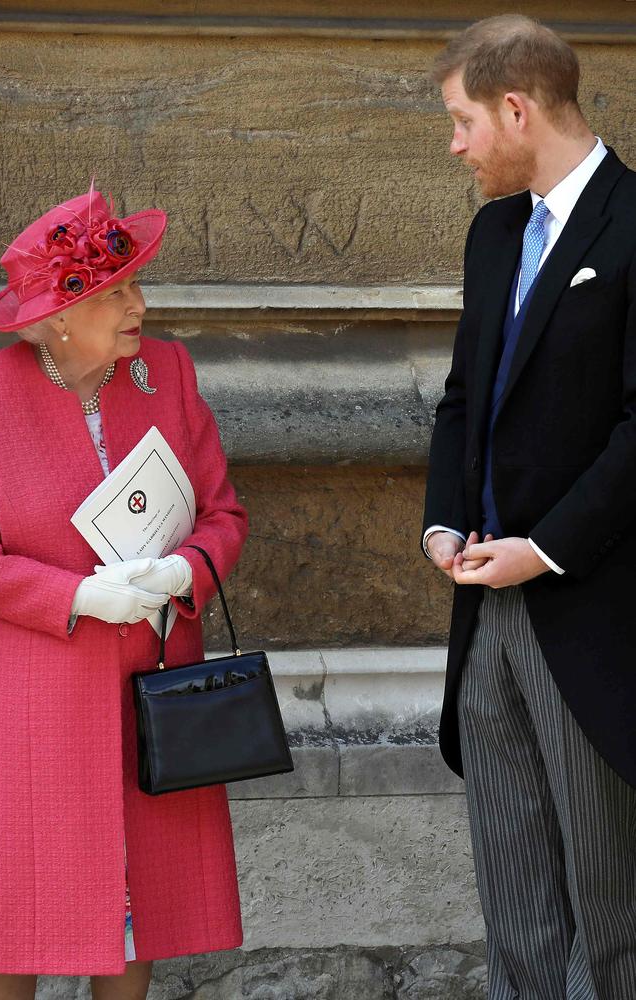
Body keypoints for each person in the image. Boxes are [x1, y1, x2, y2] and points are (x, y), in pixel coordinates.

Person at [0, 188, 248, 999]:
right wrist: (71, 597)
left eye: (137, 286)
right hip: (33, 701)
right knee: (14, 919)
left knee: (142, 910)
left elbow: (222, 514)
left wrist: (185, 572)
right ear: (61, 316)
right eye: (118, 293)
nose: (141, 305)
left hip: (152, 689)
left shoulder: (164, 369)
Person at [423, 15, 636, 999]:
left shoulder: (632, 226)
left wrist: (543, 549)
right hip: (484, 614)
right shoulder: (490, 231)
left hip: (588, 612)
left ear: (516, 109)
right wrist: (439, 520)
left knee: (610, 914)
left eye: (464, 120)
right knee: (511, 903)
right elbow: (464, 398)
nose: (457, 143)